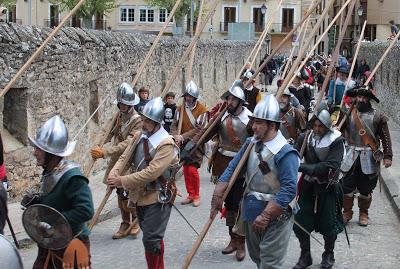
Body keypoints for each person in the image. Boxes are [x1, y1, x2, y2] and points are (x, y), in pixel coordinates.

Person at [211, 94, 299, 268]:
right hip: (252, 209)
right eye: (254, 121)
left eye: (259, 122)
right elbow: (232, 168)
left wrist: (266, 215)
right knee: (258, 258)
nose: (253, 126)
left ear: (272, 125)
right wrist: (218, 192)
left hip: (277, 214)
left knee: (270, 263)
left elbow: (289, 190)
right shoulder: (251, 143)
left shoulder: (286, 152)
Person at [107, 97, 179, 269]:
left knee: (152, 239)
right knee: (150, 238)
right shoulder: (139, 135)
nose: (143, 123)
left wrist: (121, 180)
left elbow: (151, 172)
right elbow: (125, 156)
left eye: (147, 120)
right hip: (140, 195)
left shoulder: (166, 144)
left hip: (158, 196)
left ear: (156, 122)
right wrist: (114, 172)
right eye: (143, 119)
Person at [22, 115, 94, 268]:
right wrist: (36, 203)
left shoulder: (73, 177)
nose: (35, 152)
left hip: (71, 245)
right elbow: (54, 201)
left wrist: (53, 220)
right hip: (50, 242)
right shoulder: (50, 171)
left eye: (38, 149)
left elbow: (86, 211)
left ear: (51, 154)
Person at [191, 80, 252, 261]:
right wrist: (192, 147)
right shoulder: (221, 116)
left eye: (233, 100)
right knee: (228, 205)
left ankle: (241, 243)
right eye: (229, 99)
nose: (230, 102)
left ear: (241, 102)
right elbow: (206, 133)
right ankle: (232, 239)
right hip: (222, 165)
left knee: (240, 205)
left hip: (242, 167)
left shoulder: (250, 119)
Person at [293, 109, 345, 269]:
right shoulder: (304, 138)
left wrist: (304, 167)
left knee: (329, 223)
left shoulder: (336, 141)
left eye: (320, 126)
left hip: (328, 186)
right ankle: (305, 255)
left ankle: (329, 254)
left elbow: (332, 165)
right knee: (300, 220)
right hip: (307, 186)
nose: (316, 129)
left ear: (327, 126)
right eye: (314, 125)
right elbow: (294, 157)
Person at [90, 83, 142, 239]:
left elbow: (128, 144)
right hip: (117, 160)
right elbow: (110, 133)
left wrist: (105, 152)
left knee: (126, 193)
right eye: (120, 103)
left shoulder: (137, 120)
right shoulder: (118, 116)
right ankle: (125, 222)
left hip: (130, 160)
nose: (121, 106)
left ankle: (135, 221)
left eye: (124, 104)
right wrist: (99, 144)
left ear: (130, 104)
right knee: (119, 194)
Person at [340, 85, 392, 226]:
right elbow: (339, 130)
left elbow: (385, 137)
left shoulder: (377, 116)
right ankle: (347, 212)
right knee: (347, 186)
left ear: (368, 99)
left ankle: (364, 213)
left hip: (369, 155)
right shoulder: (348, 112)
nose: (361, 99)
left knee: (366, 188)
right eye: (359, 96)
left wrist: (388, 156)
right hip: (350, 154)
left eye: (364, 97)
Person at [170, 81, 208, 207]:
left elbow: (199, 129)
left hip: (195, 144)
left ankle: (196, 195)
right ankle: (190, 194)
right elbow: (174, 124)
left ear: (194, 97)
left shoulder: (202, 110)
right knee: (186, 169)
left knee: (192, 169)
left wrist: (183, 136)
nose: (187, 98)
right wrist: (175, 135)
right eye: (186, 96)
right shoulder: (180, 109)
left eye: (190, 96)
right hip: (181, 142)